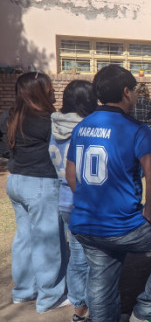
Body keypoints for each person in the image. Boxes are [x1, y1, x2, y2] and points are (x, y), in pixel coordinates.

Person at [65, 65, 151, 322]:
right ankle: (145, 309)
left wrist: (89, 203)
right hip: (121, 225)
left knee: (102, 283)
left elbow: (70, 174)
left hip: (85, 223)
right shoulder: (137, 129)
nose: (135, 96)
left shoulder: (82, 127)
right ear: (126, 92)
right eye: (133, 91)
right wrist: (150, 212)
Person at [1, 72, 69, 313]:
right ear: (41, 91)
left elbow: (4, 148)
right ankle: (49, 297)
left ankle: (24, 291)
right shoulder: (49, 119)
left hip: (15, 181)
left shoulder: (8, 116)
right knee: (48, 240)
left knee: (24, 237)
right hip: (41, 184)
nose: (53, 91)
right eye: (49, 88)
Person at [49, 79, 98, 321]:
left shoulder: (54, 125)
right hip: (84, 199)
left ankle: (80, 303)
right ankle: (84, 307)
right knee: (86, 257)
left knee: (76, 252)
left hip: (64, 199)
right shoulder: (86, 128)